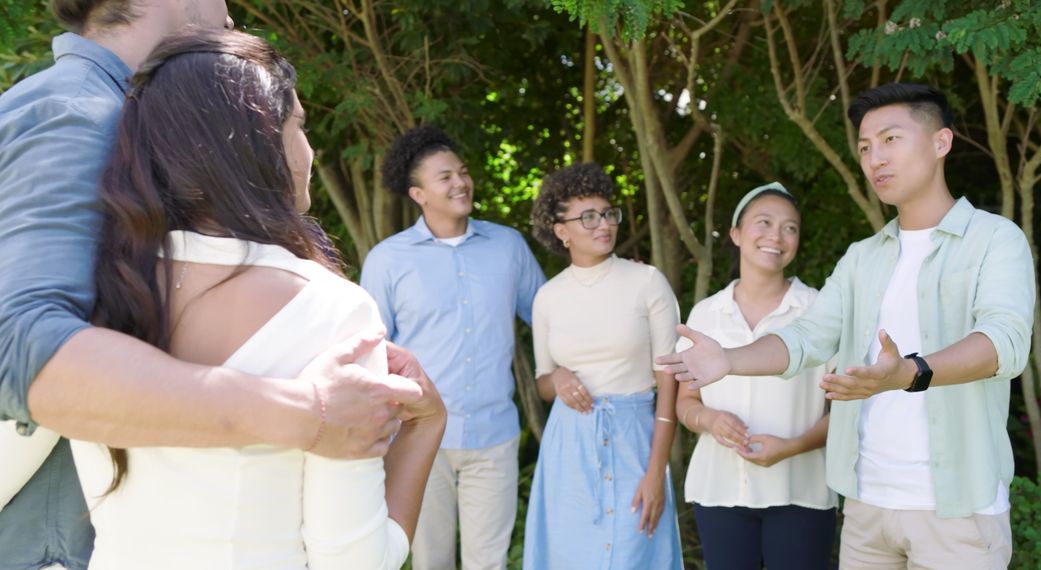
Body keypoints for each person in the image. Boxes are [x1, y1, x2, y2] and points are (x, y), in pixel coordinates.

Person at [0, 3, 419, 569]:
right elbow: (31, 355)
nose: (231, 13)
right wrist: (305, 411)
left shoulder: (90, 112)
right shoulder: (83, 112)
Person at [659, 83, 1034, 569]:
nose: (874, 157)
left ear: (941, 143)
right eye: (864, 146)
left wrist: (910, 373)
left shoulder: (993, 239)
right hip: (865, 509)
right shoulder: (862, 258)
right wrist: (729, 359)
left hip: (957, 511)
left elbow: (1004, 345)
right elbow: (806, 337)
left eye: (890, 140)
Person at [360, 125, 546, 570]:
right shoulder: (388, 259)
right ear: (418, 193)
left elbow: (550, 316)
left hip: (494, 435)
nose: (460, 182)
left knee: (489, 564)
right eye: (445, 176)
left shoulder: (508, 246)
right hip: (419, 437)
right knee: (430, 562)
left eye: (462, 172)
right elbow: (372, 351)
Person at [524, 163, 682, 569]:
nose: (604, 225)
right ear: (561, 230)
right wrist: (557, 377)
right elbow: (543, 382)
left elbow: (670, 382)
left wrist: (656, 472)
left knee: (634, 552)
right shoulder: (548, 297)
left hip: (635, 437)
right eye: (588, 217)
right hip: (569, 445)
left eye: (608, 213)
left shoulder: (647, 282)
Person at [676, 182, 836, 569]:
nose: (776, 236)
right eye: (763, 222)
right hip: (719, 490)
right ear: (735, 234)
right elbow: (685, 402)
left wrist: (793, 445)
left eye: (790, 228)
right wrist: (710, 420)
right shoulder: (705, 314)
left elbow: (848, 410)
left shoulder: (821, 311)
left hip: (801, 491)